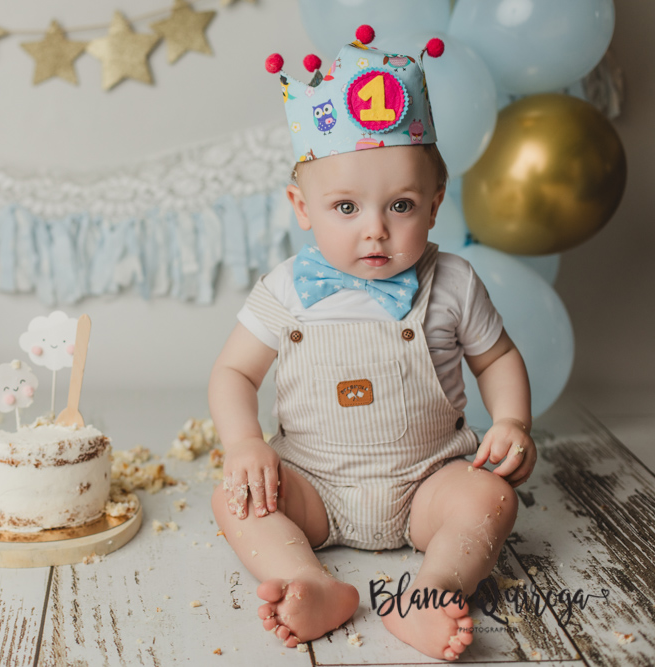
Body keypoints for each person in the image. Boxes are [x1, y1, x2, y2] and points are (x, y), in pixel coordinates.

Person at [208, 26, 536, 662]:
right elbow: (233, 374)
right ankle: (310, 580)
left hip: (427, 482)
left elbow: (496, 357)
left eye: (402, 205)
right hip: (312, 486)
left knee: (492, 497)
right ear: (302, 208)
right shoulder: (287, 288)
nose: (376, 231)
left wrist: (513, 420)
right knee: (234, 499)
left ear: (437, 205)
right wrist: (244, 442)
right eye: (346, 208)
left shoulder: (452, 282)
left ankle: (432, 590)